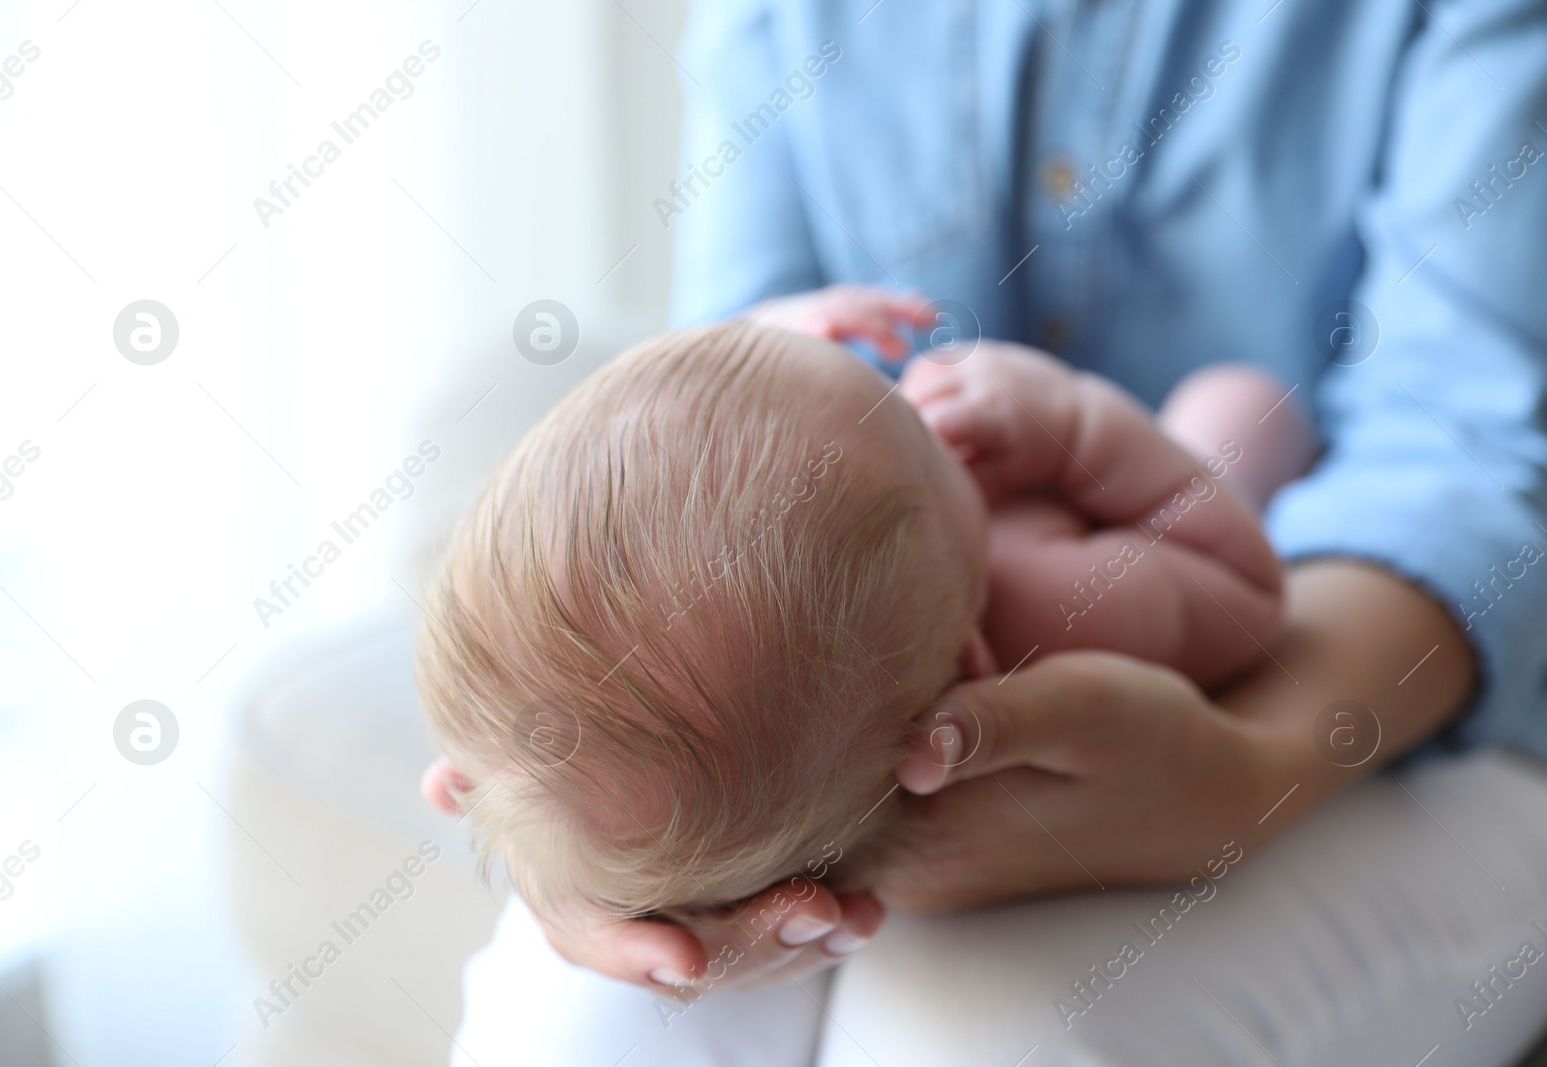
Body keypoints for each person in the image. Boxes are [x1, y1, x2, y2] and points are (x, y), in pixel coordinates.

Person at [433, 0, 1547, 1062]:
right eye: (899, 415)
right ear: (969, 660)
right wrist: (582, 823)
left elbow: (1455, 453)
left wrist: (1247, 771)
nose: (914, 389)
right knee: (588, 1028)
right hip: (1017, 662)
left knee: (976, 1039)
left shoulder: (980, 585)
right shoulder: (1063, 587)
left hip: (1403, 692)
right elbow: (1233, 575)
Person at [415, 303, 1302, 931]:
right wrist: (1079, 426)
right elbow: (1247, 592)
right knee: (1240, 406)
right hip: (1160, 517)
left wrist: (791, 335)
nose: (918, 390)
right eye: (911, 429)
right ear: (975, 665)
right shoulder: (1067, 605)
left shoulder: (817, 721)